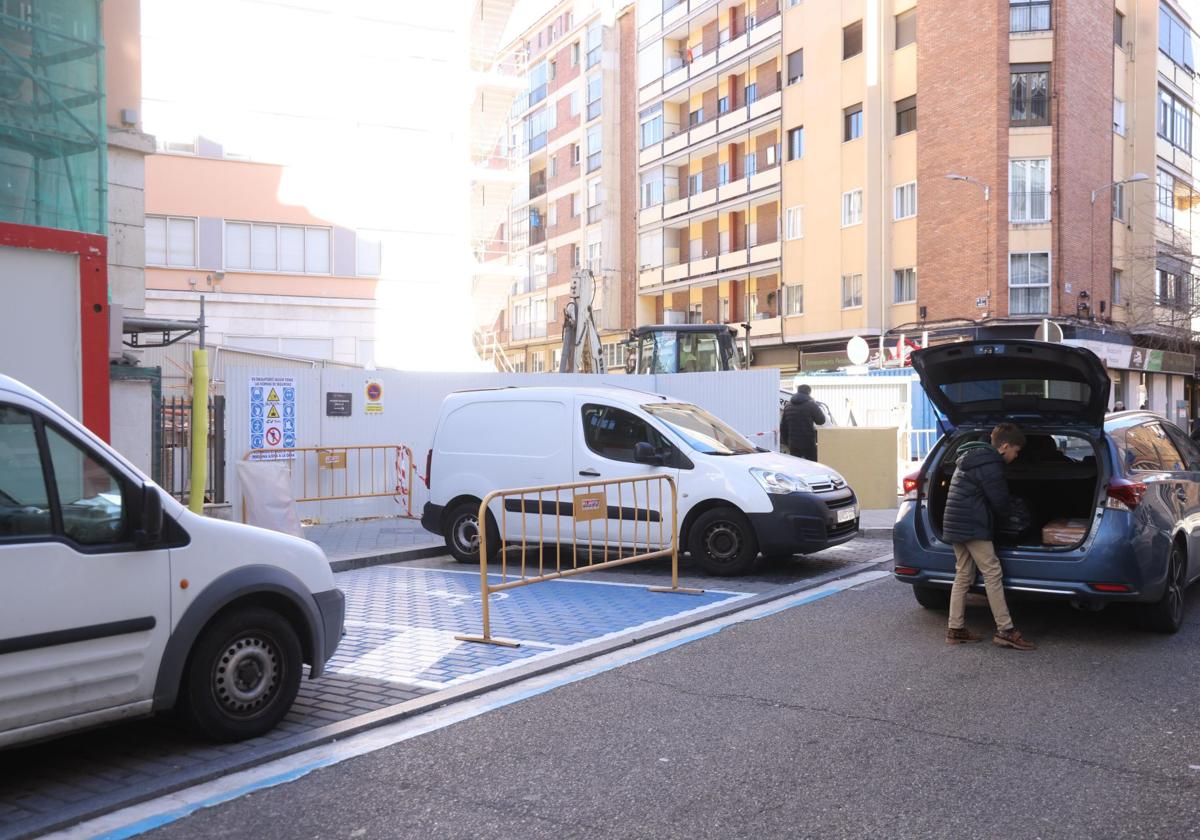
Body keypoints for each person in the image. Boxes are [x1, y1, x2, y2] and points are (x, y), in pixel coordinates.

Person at [942, 422, 1037, 651]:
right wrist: (1015, 525)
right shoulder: (991, 464)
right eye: (1016, 451)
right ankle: (1006, 630)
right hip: (973, 525)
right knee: (992, 572)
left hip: (955, 522)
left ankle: (955, 629)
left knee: (963, 573)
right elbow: (1000, 502)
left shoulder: (972, 456)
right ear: (1005, 447)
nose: (1016, 456)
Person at [780, 384, 825, 461]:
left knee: (796, 466)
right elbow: (821, 421)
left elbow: (783, 427)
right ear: (809, 392)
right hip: (808, 442)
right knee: (812, 465)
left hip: (793, 444)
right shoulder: (811, 405)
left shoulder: (788, 406)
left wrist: (787, 442)